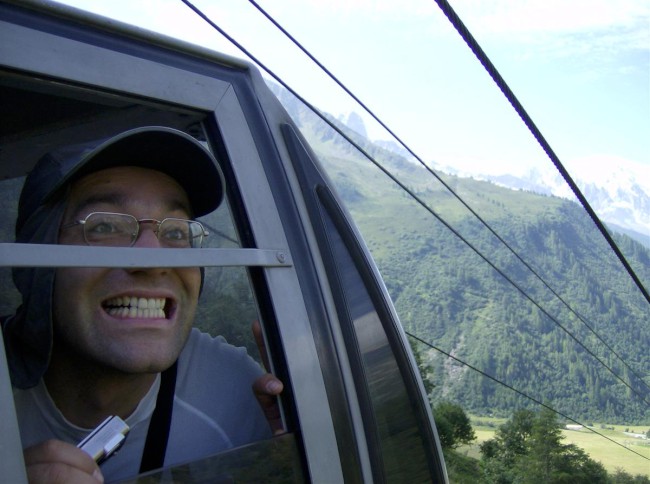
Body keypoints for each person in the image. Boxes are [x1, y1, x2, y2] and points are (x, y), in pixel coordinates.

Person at [2, 126, 284, 483]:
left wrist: (285, 461)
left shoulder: (240, 396)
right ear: (34, 264)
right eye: (104, 227)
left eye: (177, 232)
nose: (153, 261)